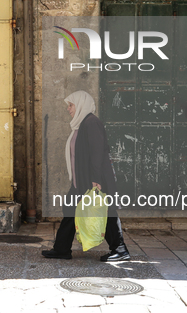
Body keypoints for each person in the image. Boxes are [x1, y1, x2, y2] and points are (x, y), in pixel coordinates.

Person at [42, 90, 130, 262]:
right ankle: (61, 249)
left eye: (71, 105)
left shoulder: (91, 123)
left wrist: (96, 180)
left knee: (106, 213)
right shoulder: (80, 125)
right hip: (80, 181)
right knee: (70, 210)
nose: (68, 109)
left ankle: (120, 250)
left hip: (94, 181)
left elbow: (97, 153)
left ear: (81, 105)